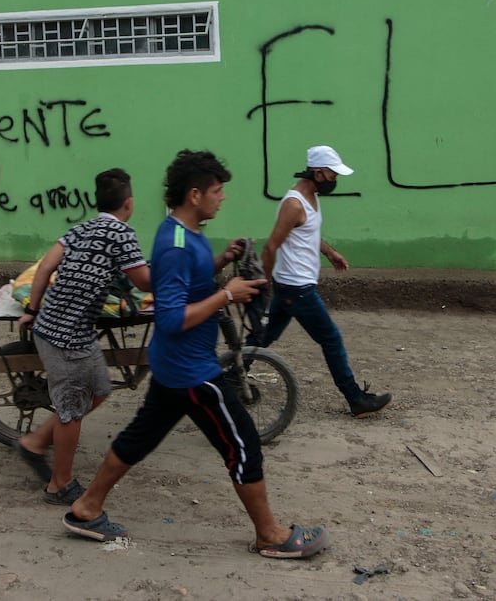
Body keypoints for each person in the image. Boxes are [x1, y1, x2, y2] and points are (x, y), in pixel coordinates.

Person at [62, 149, 329, 559]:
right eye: (217, 191)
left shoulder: (186, 234)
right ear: (194, 194)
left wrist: (224, 261)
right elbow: (169, 318)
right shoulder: (177, 245)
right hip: (192, 371)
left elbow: (186, 283)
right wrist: (227, 294)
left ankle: (86, 508)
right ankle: (270, 536)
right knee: (243, 446)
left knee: (138, 438)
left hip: (175, 366)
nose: (222, 198)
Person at [14, 168, 151, 504]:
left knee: (101, 391)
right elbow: (144, 282)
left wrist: (32, 310)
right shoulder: (122, 233)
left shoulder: (80, 229)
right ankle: (58, 485)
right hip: (64, 336)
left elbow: (45, 268)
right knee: (72, 409)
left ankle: (34, 443)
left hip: (70, 330)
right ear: (129, 204)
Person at [258, 145, 392, 418]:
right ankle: (355, 399)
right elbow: (271, 246)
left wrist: (329, 252)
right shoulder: (294, 204)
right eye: (332, 175)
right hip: (296, 288)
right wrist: (264, 284)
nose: (335, 181)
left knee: (264, 337)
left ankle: (230, 376)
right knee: (331, 339)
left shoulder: (310, 199)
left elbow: (307, 234)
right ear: (318, 173)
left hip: (292, 287)